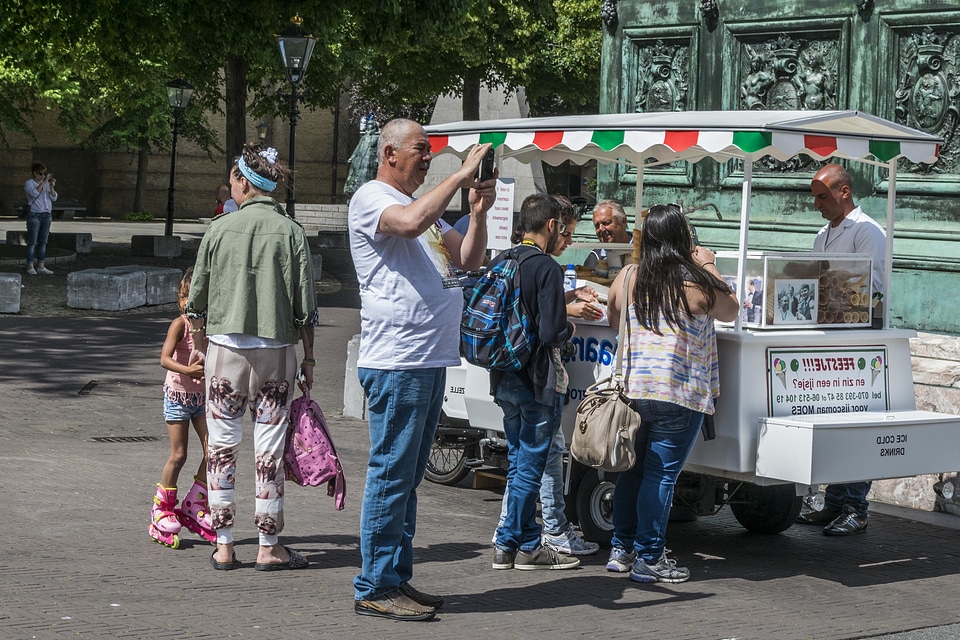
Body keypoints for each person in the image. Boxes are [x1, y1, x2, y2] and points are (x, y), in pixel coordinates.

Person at [349, 118, 496, 621]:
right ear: (390, 153)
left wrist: (476, 214)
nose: (428, 158)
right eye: (420, 151)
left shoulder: (428, 213)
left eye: (431, 153)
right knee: (391, 474)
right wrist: (458, 177)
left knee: (407, 478)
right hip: (398, 360)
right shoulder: (372, 197)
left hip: (428, 358)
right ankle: (375, 585)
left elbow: (471, 260)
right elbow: (408, 222)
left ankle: (395, 577)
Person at [185, 143, 318, 572]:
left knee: (221, 448)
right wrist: (310, 357)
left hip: (226, 351)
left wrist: (202, 340)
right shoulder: (291, 232)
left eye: (233, 179)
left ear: (243, 182)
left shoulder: (219, 228)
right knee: (269, 453)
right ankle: (268, 544)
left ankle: (223, 543)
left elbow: (197, 298)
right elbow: (305, 307)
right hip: (277, 353)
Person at [605, 203, 738, 583]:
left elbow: (614, 318)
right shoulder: (693, 282)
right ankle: (650, 556)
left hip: (633, 390)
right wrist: (709, 262)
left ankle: (622, 549)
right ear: (684, 238)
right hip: (677, 393)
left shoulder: (629, 276)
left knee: (633, 470)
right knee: (660, 477)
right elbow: (730, 310)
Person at [492, 197, 601, 558]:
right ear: (552, 225)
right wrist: (569, 325)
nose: (566, 239)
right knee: (532, 465)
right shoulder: (547, 267)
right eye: (564, 231)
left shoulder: (504, 259)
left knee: (518, 460)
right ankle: (510, 543)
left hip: (503, 377)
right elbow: (552, 330)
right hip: (536, 381)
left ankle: (524, 543)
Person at [796, 162, 884, 536]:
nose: (818, 204)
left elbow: (871, 287)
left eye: (823, 196)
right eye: (815, 197)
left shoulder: (868, 232)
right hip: (827, 338)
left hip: (859, 339)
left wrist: (828, 286)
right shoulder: (822, 234)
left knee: (856, 422)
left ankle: (855, 505)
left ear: (844, 192)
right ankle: (832, 502)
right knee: (832, 420)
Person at [149, 267, 216, 549]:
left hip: (201, 399)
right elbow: (164, 359)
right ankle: (162, 509)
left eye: (191, 298)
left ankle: (195, 502)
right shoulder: (180, 324)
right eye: (182, 297)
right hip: (177, 396)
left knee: (213, 452)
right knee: (179, 454)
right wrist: (187, 370)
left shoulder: (211, 327)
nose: (185, 304)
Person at [23, 162, 58, 275]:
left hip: (46, 215)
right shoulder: (29, 183)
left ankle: (41, 265)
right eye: (40, 174)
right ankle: (30, 265)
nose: (42, 176)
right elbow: (34, 193)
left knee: (43, 241)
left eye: (44, 174)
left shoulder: (46, 184)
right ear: (34, 173)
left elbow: (54, 197)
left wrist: (51, 187)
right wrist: (43, 182)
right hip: (34, 215)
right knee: (32, 241)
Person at [583, 200, 633, 271]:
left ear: (623, 222)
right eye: (597, 226)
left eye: (606, 223)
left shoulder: (643, 250)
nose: (601, 229)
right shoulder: (595, 257)